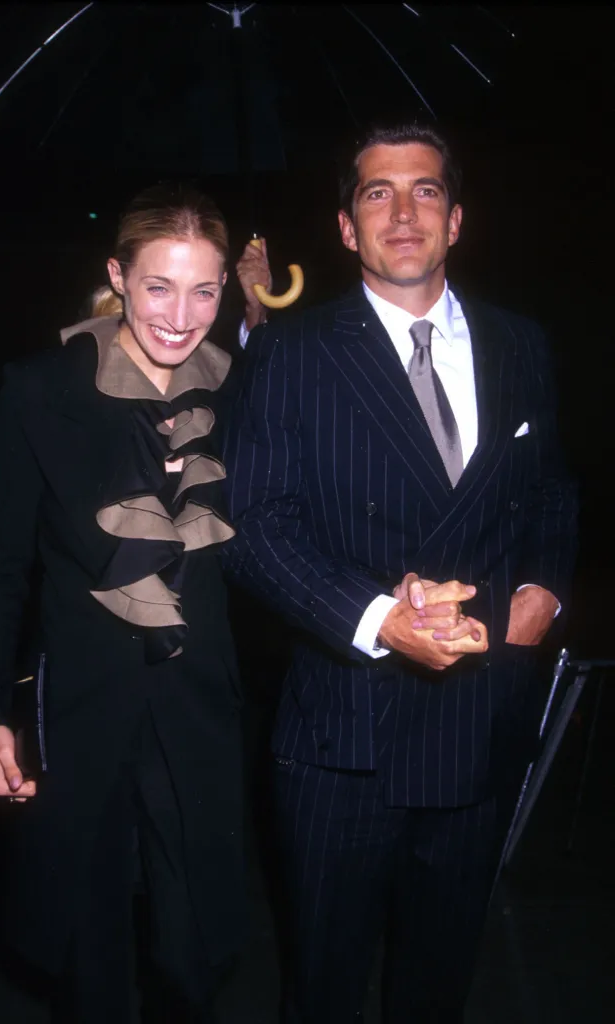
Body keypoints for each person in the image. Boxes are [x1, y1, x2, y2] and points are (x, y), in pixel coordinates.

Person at [223, 122, 578, 1023]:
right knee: (326, 985)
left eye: (424, 190)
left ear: (456, 219)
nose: (403, 211)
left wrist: (542, 589)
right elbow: (252, 528)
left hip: (477, 721)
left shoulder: (520, 343)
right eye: (376, 193)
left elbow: (551, 492)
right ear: (347, 229)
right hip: (345, 738)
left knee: (439, 982)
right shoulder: (292, 355)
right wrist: (379, 618)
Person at [0, 184, 245, 1024]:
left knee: (193, 951)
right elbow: (2, 567)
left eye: (205, 289)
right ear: (118, 275)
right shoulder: (37, 389)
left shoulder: (240, 388)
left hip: (200, 708)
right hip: (84, 705)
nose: (181, 313)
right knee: (89, 958)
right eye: (159, 284)